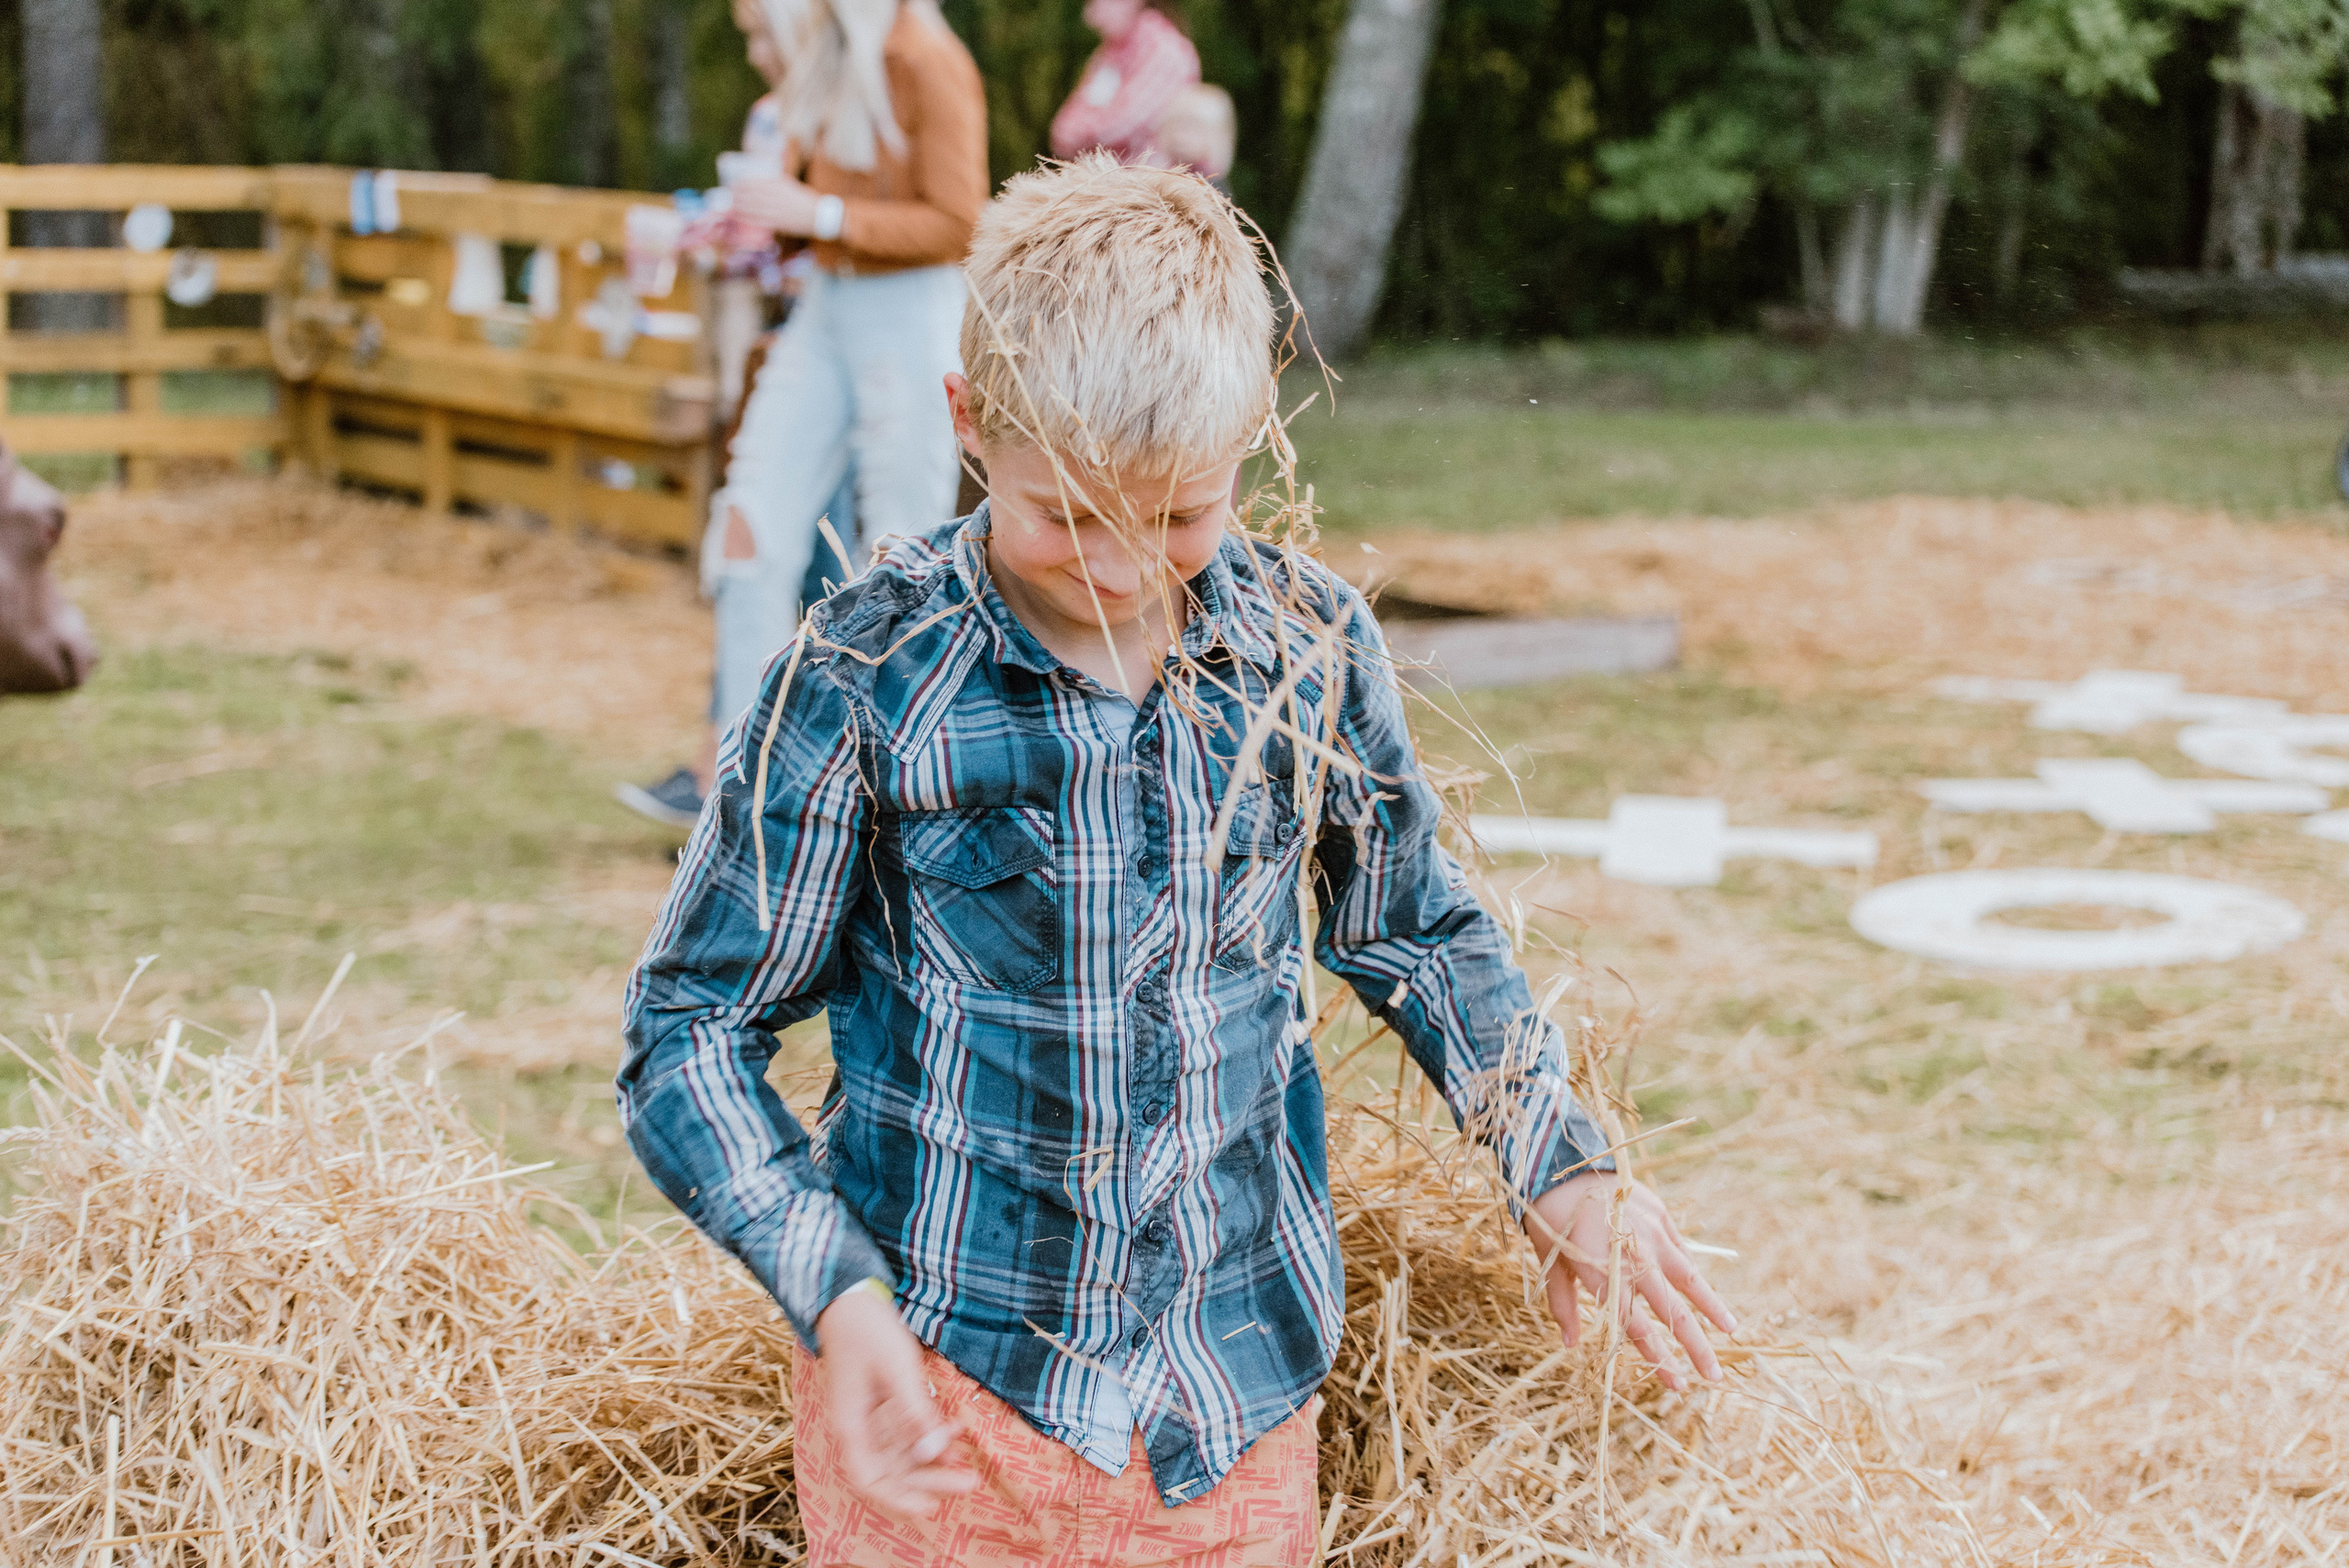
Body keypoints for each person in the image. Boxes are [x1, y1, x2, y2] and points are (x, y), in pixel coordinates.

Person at [618, 158, 1733, 1568]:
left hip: (1234, 1396)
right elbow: (686, 1031)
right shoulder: (864, 673)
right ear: (972, 424)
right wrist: (835, 1299)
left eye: (1181, 515)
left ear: (1251, 442)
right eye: (1066, 515)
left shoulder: (1304, 646)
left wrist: (1557, 1169)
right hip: (939, 1387)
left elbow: (1419, 931)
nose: (1124, 569)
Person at [617, 0, 985, 830]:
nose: (757, 43)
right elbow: (802, 208)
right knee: (747, 523)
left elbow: (961, 218)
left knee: (897, 548)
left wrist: (813, 214)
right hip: (828, 305)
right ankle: (738, 791)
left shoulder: (924, 57)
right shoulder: (825, 66)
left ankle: (885, 790)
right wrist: (755, 223)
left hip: (909, 312)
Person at [1049, 0, 1199, 169]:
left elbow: (1119, 126)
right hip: (1105, 183)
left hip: (1149, 186)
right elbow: (1062, 131)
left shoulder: (1167, 51)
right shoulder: (1109, 53)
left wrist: (1082, 132)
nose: (1089, 16)